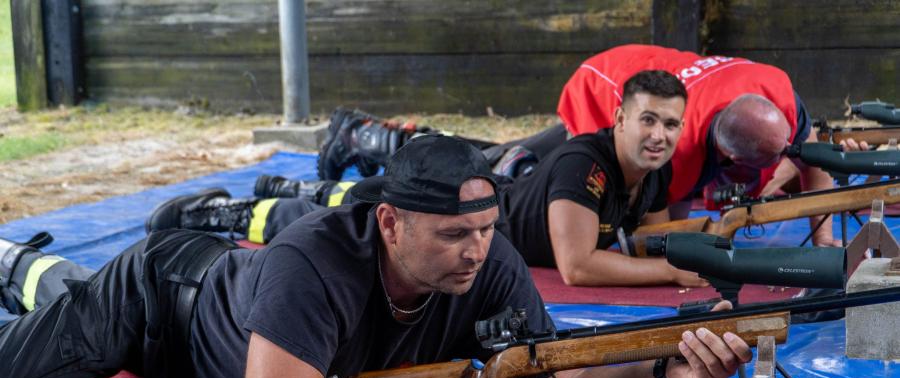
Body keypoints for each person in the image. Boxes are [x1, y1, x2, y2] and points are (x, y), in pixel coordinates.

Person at [0, 135, 750, 378]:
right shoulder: (314, 259)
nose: (476, 252)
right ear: (389, 224)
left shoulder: (492, 264)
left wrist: (666, 373)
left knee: (53, 290)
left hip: (227, 332)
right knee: (31, 350)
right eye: (454, 235)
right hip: (156, 303)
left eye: (486, 232)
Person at [149, 71, 706, 288]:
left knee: (350, 198)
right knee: (347, 220)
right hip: (462, 213)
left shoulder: (653, 172)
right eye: (648, 120)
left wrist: (711, 239)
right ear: (620, 121)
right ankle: (219, 216)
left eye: (671, 124)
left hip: (486, 201)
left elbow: (651, 239)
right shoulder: (584, 165)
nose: (658, 135)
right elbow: (578, 266)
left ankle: (287, 189)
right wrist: (675, 271)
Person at [319, 45, 846, 245]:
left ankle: (372, 137)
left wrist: (823, 239)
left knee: (517, 161)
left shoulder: (776, 92)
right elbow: (659, 229)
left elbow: (808, 145)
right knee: (513, 169)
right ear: (723, 154)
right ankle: (370, 138)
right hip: (605, 85)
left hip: (647, 84)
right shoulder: (673, 154)